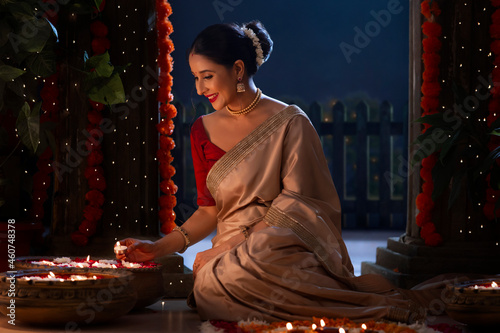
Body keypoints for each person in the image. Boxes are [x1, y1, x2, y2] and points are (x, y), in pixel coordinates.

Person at [117, 20, 429, 323]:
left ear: (238, 69)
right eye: (196, 78)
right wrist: (157, 249)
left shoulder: (290, 122)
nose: (200, 89)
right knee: (211, 288)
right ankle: (352, 308)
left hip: (281, 243)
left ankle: (378, 309)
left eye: (207, 76)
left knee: (258, 261)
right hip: (230, 258)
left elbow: (299, 203)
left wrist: (233, 243)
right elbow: (208, 212)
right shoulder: (202, 130)